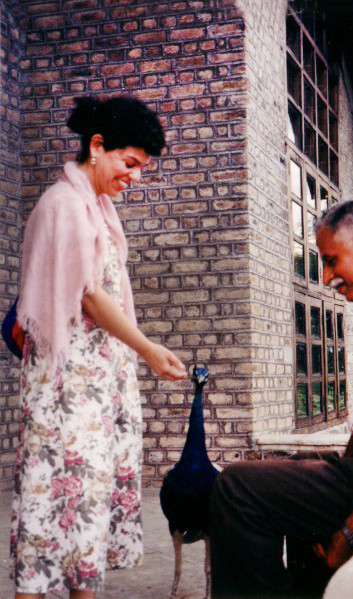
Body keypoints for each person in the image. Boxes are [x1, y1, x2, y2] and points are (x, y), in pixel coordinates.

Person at [10, 95, 187, 599]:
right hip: (65, 390)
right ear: (97, 145)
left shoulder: (98, 208)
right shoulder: (64, 206)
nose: (135, 177)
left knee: (85, 506)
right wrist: (149, 349)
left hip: (92, 384)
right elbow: (89, 295)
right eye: (129, 163)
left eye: (141, 168)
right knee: (50, 509)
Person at [210, 197, 353, 598]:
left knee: (236, 487)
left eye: (331, 260)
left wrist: (351, 530)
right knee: (292, 468)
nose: (327, 276)